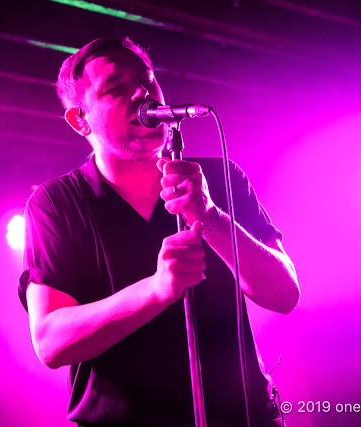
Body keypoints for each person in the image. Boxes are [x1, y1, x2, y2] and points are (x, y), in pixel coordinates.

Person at [18, 37, 300, 427]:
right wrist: (155, 290)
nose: (141, 93)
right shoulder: (58, 203)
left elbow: (285, 294)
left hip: (246, 416)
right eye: (116, 89)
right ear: (80, 119)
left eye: (148, 81)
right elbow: (50, 341)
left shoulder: (221, 177)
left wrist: (212, 216)